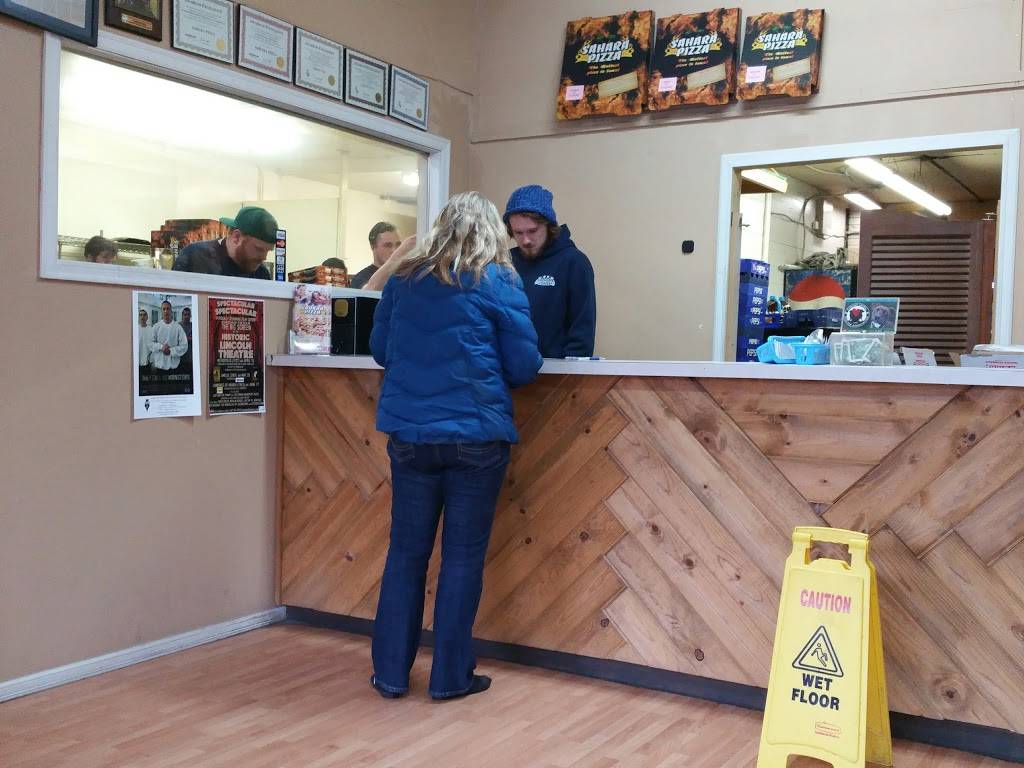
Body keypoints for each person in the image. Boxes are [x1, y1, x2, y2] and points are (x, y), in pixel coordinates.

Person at [369, 191, 542, 701]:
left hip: (410, 437)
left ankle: (390, 675)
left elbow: (380, 351)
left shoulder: (403, 280)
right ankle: (449, 678)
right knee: (462, 559)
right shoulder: (499, 280)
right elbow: (523, 366)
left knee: (405, 555)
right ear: (493, 233)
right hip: (475, 439)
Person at [504, 185, 597, 358]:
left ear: (548, 225)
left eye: (532, 231)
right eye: (518, 233)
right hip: (510, 369)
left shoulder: (574, 262)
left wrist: (567, 372)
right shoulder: (506, 262)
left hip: (556, 369)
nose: (526, 240)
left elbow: (582, 333)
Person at [172, 206, 277, 279]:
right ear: (236, 237)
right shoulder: (194, 257)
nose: (264, 257)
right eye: (258, 249)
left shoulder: (261, 274)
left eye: (268, 250)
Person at [350, 222, 401, 288]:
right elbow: (367, 291)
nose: (394, 251)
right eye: (388, 245)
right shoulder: (360, 278)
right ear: (373, 247)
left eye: (398, 245)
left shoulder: (405, 276)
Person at [149, 300, 189, 373]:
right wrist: (161, 347)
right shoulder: (156, 326)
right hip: (159, 366)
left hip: (174, 367)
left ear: (171, 311)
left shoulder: (178, 327)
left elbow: (184, 346)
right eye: (164, 309)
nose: (166, 311)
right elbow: (150, 343)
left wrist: (171, 351)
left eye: (168, 309)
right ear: (161, 311)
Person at [137, 307, 154, 377]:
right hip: (137, 364)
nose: (142, 317)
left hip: (147, 363)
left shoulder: (151, 330)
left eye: (144, 315)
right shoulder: (135, 329)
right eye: (140, 315)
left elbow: (153, 347)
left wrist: (151, 361)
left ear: (147, 317)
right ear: (138, 317)